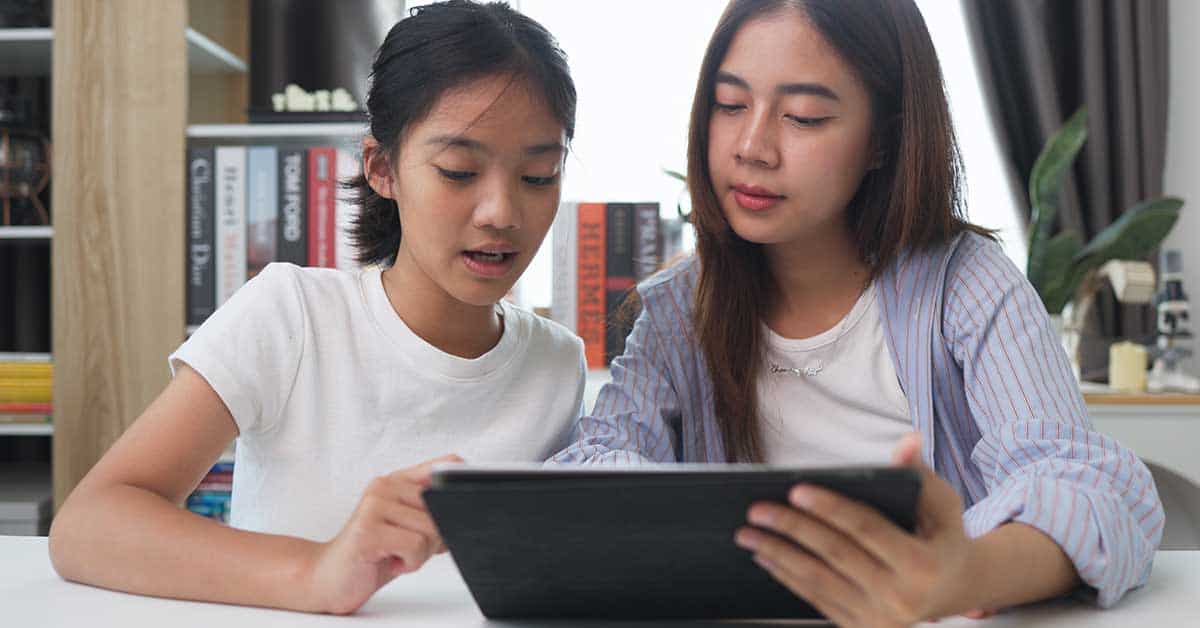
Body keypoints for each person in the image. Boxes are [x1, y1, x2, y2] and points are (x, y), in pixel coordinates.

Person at [551, 0, 1162, 625]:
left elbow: (1091, 488)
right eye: (730, 105)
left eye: (805, 117)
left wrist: (964, 575)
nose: (752, 146)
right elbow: (598, 460)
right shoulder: (681, 307)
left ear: (884, 141)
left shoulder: (964, 285)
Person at [49, 0, 583, 615]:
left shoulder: (556, 364)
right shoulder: (293, 315)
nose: (501, 213)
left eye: (539, 177)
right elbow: (89, 523)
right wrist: (318, 571)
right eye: (459, 171)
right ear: (382, 167)